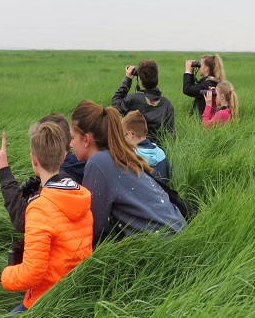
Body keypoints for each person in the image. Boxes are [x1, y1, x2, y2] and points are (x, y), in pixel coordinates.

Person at [0, 121, 93, 313]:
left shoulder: (39, 209)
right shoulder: (81, 195)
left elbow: (31, 274)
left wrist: (6, 274)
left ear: (34, 160)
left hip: (47, 303)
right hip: (75, 293)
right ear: (64, 156)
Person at [70, 100, 187, 248]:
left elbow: (94, 228)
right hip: (178, 234)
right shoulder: (120, 155)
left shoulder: (97, 163)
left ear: (86, 139)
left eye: (72, 137)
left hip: (163, 248)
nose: (70, 144)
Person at [0, 113, 86, 233]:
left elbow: (24, 220)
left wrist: (4, 170)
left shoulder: (60, 180)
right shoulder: (76, 169)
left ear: (34, 158)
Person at [111, 60, 176, 145]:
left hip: (135, 149)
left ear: (141, 81)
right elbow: (171, 134)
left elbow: (115, 104)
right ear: (156, 79)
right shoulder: (167, 104)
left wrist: (128, 79)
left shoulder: (133, 99)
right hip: (158, 152)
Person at [122, 110, 171, 184]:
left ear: (130, 134)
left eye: (123, 135)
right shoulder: (161, 153)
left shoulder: (130, 158)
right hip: (162, 194)